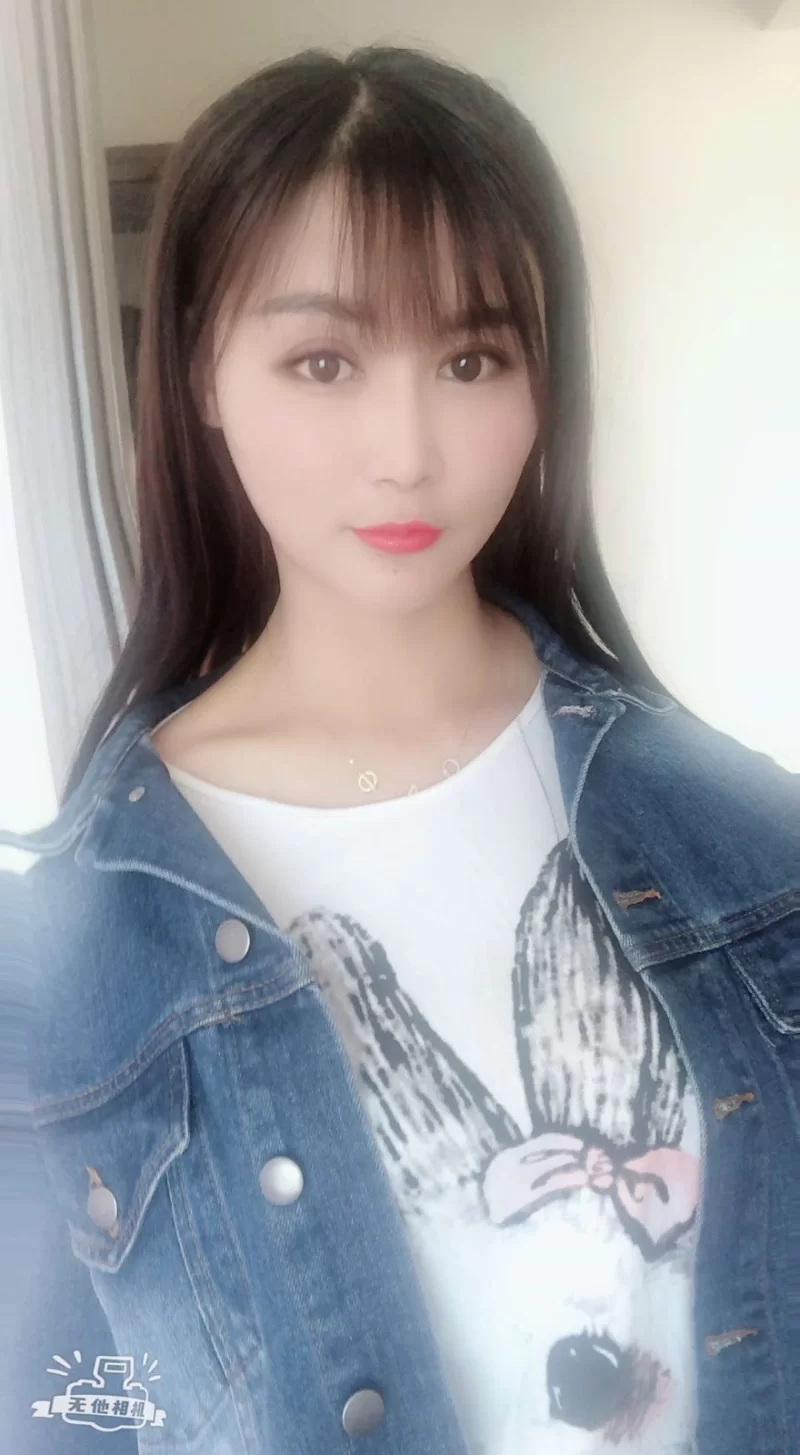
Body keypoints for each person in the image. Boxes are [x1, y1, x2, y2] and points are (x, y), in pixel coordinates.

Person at [1, 42, 798, 1455]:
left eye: (472, 358)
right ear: (199, 372)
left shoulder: (741, 840)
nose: (409, 449)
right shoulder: (72, 951)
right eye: (323, 360)